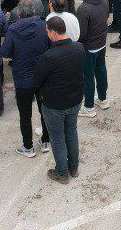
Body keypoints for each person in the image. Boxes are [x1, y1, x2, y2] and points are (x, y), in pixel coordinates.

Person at [34, 15, 85, 184]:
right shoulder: (79, 48)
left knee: (57, 137)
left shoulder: (49, 56)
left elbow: (37, 80)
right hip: (75, 101)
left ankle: (62, 172)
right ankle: (74, 167)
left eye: (48, 31)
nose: (47, 34)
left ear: (54, 33)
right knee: (71, 131)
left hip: (54, 105)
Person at [3, 0, 50, 157]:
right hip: (42, 76)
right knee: (44, 109)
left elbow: (6, 52)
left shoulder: (12, 29)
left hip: (23, 78)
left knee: (25, 114)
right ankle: (45, 141)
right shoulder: (44, 25)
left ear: (19, 13)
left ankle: (28, 146)